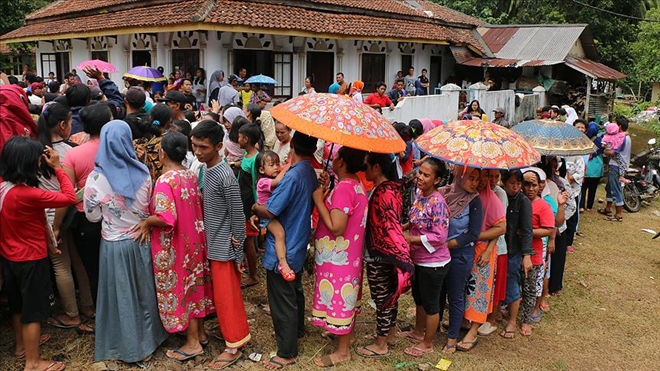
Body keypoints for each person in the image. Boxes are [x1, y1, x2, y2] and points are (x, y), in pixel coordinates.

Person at [84, 120, 168, 363]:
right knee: (144, 293)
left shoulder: (96, 178)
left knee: (120, 296)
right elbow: (148, 206)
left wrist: (110, 218)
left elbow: (91, 215)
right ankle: (151, 339)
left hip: (113, 243)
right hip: (141, 239)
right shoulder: (143, 172)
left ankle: (128, 346)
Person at [133, 132, 214, 361]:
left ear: (162, 153)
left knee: (182, 290)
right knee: (194, 286)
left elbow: (166, 217)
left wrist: (147, 221)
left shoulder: (165, 181)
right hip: (194, 240)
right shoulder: (189, 174)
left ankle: (192, 343)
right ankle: (200, 334)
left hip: (176, 245)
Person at [1, 136, 76, 371]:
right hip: (31, 258)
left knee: (18, 305)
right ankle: (33, 363)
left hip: (9, 256)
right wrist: (57, 168)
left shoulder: (4, 187)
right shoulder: (28, 194)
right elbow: (69, 197)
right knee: (32, 312)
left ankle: (21, 346)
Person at [251, 131, 318, 370]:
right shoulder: (309, 172)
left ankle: (287, 351)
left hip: (285, 244)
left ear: (292, 146)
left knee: (282, 300)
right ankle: (297, 332)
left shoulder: (292, 176)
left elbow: (270, 209)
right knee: (295, 291)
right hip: (298, 240)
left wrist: (254, 207)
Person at [190, 121, 251, 369]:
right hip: (214, 243)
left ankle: (234, 344)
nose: (197, 152)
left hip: (224, 246)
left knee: (228, 298)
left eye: (203, 147)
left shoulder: (225, 175)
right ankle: (233, 336)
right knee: (223, 296)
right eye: (194, 146)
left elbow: (238, 215)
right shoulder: (208, 169)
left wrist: (238, 254)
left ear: (218, 146)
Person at [37, 102, 94, 333]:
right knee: (77, 261)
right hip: (70, 214)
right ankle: (87, 307)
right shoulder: (71, 151)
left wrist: (54, 226)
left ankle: (71, 314)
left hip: (49, 215)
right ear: (62, 125)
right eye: (71, 122)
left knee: (61, 264)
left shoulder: (36, 151)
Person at [311, 146, 368, 367]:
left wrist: (318, 201)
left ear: (341, 162)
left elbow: (336, 226)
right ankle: (342, 334)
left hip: (339, 258)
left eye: (334, 158)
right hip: (347, 256)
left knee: (341, 298)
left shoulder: (345, 188)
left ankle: (343, 351)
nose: (332, 160)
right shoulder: (354, 184)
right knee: (344, 297)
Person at [357, 153, 413, 358]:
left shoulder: (382, 193)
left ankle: (381, 344)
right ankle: (389, 334)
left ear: (377, 167)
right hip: (388, 253)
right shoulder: (393, 189)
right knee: (390, 296)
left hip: (379, 253)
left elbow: (385, 226)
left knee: (381, 298)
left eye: (367, 167)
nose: (365, 171)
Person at [62, 104, 113, 308]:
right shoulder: (118, 150)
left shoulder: (74, 154)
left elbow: (68, 193)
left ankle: (101, 309)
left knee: (92, 267)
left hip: (86, 218)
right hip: (116, 216)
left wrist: (57, 225)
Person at [398, 158, 450, 357]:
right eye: (420, 172)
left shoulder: (438, 203)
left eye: (426, 175)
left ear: (437, 180)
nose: (420, 177)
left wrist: (411, 238)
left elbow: (439, 236)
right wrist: (402, 227)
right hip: (418, 259)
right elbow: (414, 220)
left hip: (434, 263)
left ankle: (427, 343)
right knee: (418, 298)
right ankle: (418, 332)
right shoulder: (419, 195)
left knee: (431, 303)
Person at [458, 169, 506, 351]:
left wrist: (480, 241)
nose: (482, 180)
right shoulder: (465, 195)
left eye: (486, 176)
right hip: (465, 248)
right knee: (464, 287)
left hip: (482, 249)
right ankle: (463, 320)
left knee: (479, 290)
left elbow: (501, 227)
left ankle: (473, 330)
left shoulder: (492, 199)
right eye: (478, 176)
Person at [437, 166, 483, 353]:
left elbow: (473, 233)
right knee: (438, 293)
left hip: (460, 255)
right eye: (471, 178)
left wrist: (447, 245)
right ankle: (434, 327)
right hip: (438, 254)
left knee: (455, 296)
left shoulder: (474, 201)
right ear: (459, 175)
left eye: (477, 179)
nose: (475, 183)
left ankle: (452, 338)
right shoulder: (443, 194)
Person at [519, 169, 554, 336]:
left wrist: (528, 232)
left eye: (534, 185)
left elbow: (548, 229)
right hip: (515, 250)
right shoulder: (518, 201)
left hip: (534, 254)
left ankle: (526, 320)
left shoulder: (543, 206)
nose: (530, 188)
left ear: (540, 186)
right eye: (526, 184)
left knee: (529, 289)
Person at [499, 169, 533, 339]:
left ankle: (512, 320)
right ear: (504, 182)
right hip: (498, 248)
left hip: (513, 250)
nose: (516, 187)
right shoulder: (499, 196)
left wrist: (526, 255)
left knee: (512, 283)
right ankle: (495, 314)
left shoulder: (523, 201)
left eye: (518, 183)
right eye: (512, 183)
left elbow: (527, 230)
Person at [255, 151, 293, 279]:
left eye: (278, 164)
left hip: (270, 214)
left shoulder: (268, 179)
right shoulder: (263, 182)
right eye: (272, 165)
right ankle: (283, 263)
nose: (276, 167)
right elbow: (277, 181)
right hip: (266, 216)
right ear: (261, 169)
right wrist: (287, 167)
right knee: (279, 234)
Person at [237, 123, 262, 288]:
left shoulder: (255, 158)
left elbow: (255, 183)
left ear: (246, 139)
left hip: (249, 206)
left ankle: (253, 275)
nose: (237, 139)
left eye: (239, 136)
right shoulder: (247, 155)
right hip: (243, 203)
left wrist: (256, 207)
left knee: (248, 240)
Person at [142, 103, 172, 183]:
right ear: (169, 121)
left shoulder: (150, 139)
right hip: (165, 182)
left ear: (150, 118)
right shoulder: (170, 140)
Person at [581, 121, 604, 211]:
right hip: (597, 168)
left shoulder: (583, 139)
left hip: (586, 167)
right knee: (593, 189)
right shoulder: (600, 140)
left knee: (583, 188)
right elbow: (603, 150)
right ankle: (589, 206)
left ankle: (581, 206)